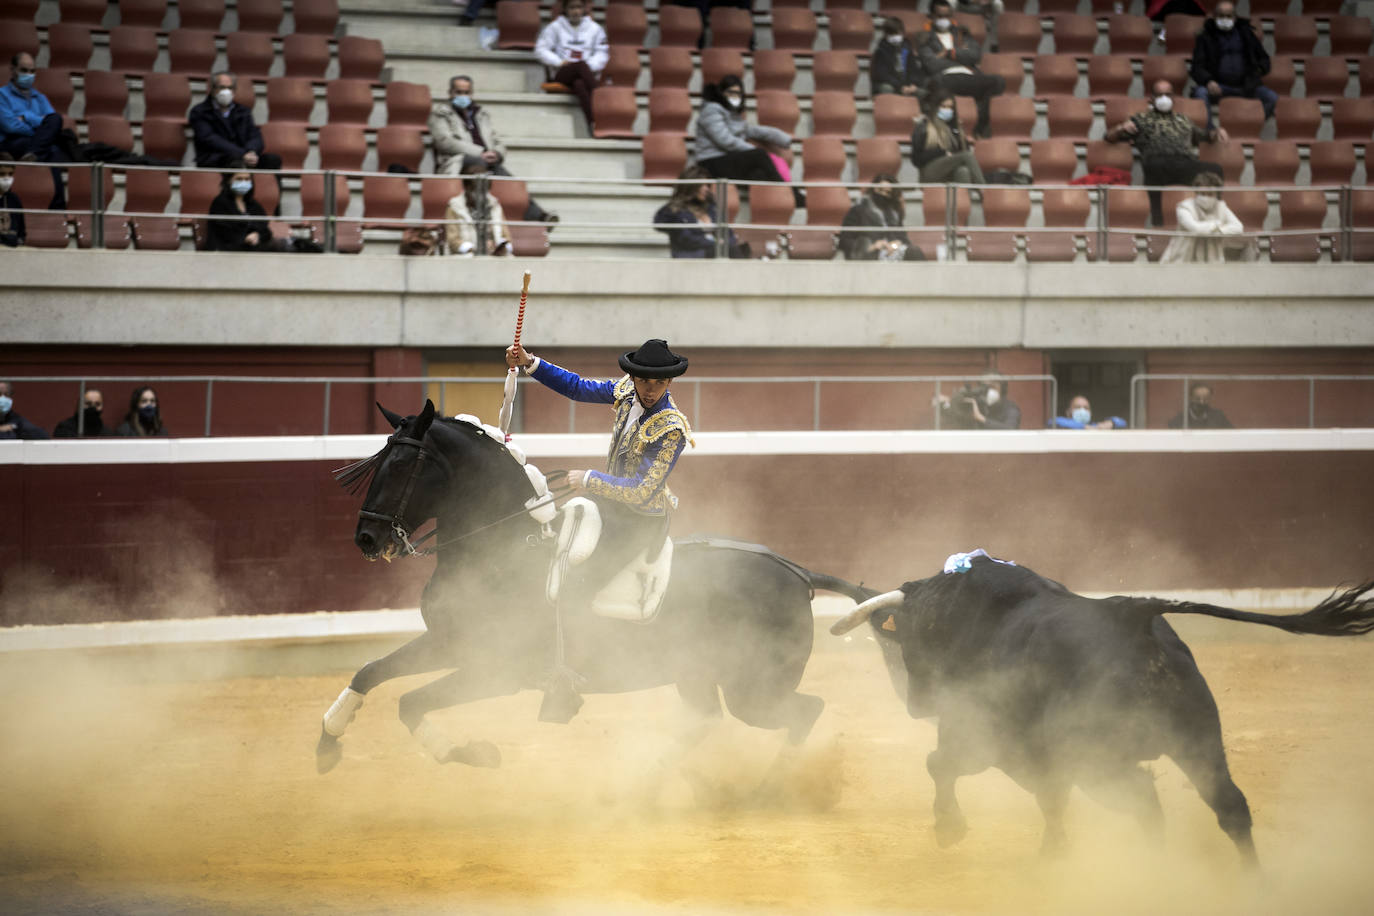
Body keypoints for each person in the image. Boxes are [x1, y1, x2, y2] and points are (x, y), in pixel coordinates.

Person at [505, 338, 693, 720]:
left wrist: (589, 479)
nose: (650, 388)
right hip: (610, 507)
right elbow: (577, 387)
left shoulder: (672, 428)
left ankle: (568, 680)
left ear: (670, 382)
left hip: (639, 522)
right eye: (644, 380)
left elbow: (642, 492)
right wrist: (530, 363)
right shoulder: (625, 390)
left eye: (658, 382)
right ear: (633, 376)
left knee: (577, 585)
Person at [428, 75, 557, 224]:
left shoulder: (481, 114)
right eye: (459, 92)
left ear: (471, 93)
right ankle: (481, 217)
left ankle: (539, 215)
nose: (463, 96)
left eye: (466, 92)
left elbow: (495, 139)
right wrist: (480, 153)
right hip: (457, 161)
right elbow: (444, 142)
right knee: (480, 163)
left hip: (486, 161)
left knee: (506, 177)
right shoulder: (440, 113)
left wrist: (497, 153)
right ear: (450, 93)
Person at [1105, 79, 1227, 227]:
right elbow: (1108, 137)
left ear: (1173, 98)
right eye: (1159, 95)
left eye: (1168, 95)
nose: (1164, 99)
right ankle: (1158, 222)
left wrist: (1217, 132)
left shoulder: (1183, 120)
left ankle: (1215, 221)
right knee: (1154, 165)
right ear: (1152, 98)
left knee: (1215, 169)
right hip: (1158, 166)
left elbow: (1205, 136)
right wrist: (1121, 128)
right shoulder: (1141, 119)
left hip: (1185, 164)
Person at [693, 75, 801, 206]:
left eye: (738, 93)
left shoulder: (733, 114)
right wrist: (753, 150)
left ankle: (777, 208)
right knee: (759, 155)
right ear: (721, 93)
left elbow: (753, 130)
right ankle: (793, 196)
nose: (734, 96)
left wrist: (783, 139)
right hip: (710, 163)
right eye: (730, 92)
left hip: (727, 162)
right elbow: (725, 140)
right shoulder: (711, 110)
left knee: (759, 174)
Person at [916, 0, 1005, 139]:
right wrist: (961, 59)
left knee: (998, 81)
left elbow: (976, 55)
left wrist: (949, 53)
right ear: (932, 16)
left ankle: (979, 129)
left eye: (947, 16)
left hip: (968, 76)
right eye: (940, 16)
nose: (944, 20)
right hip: (944, 78)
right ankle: (950, 133)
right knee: (938, 83)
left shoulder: (962, 33)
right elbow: (931, 64)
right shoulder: (924, 37)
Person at [1189, 2, 1276, 133]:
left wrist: (1256, 72)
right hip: (1218, 88)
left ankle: (1249, 127)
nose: (1225, 19)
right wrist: (1208, 81)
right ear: (1214, 16)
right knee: (1200, 93)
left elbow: (1264, 59)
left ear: (1234, 18)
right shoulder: (1205, 37)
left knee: (1272, 98)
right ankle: (1210, 132)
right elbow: (1197, 66)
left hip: (1246, 86)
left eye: (1228, 16)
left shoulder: (1247, 35)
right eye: (1221, 16)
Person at [534, 0, 608, 132]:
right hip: (561, 72)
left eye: (578, 7)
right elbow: (540, 50)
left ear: (584, 9)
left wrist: (588, 66)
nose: (575, 11)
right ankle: (602, 102)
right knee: (580, 66)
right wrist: (558, 62)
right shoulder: (555, 27)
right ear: (565, 9)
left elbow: (603, 54)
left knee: (579, 84)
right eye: (572, 7)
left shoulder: (595, 28)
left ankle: (593, 123)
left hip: (585, 72)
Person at [188, 71, 282, 173]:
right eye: (222, 87)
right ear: (213, 89)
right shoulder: (200, 111)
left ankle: (270, 189)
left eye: (230, 88)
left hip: (242, 156)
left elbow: (255, 136)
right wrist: (241, 154)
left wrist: (251, 151)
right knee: (234, 161)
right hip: (215, 159)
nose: (226, 91)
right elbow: (209, 138)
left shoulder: (243, 111)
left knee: (272, 160)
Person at [652, 164, 749, 258]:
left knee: (743, 248)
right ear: (691, 187)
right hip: (695, 254)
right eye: (702, 185)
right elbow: (687, 239)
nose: (706, 189)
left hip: (718, 251)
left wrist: (726, 243)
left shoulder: (712, 207)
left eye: (707, 185)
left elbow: (728, 233)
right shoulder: (675, 210)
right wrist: (717, 244)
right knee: (732, 251)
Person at [1160, 172, 1251, 264]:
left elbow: (1238, 227)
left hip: (1212, 261)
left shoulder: (1221, 206)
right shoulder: (1184, 207)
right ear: (1196, 193)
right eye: (1202, 194)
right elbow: (1196, 229)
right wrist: (1217, 224)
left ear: (1217, 194)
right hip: (1182, 260)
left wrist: (1219, 230)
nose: (1206, 197)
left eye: (1210, 194)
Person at [838, 174, 925, 261]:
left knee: (914, 251)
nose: (883, 194)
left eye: (888, 193)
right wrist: (872, 246)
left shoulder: (894, 214)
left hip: (893, 252)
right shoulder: (858, 211)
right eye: (880, 190)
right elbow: (845, 240)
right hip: (871, 253)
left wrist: (896, 244)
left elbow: (903, 238)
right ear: (874, 189)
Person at [909, 88, 985, 185]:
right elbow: (916, 159)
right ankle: (985, 191)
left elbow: (963, 149)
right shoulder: (924, 125)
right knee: (967, 156)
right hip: (929, 172)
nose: (947, 110)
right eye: (943, 106)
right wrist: (943, 152)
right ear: (935, 107)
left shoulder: (954, 126)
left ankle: (964, 199)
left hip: (950, 169)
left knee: (963, 171)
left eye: (950, 107)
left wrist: (958, 132)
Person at [0, 53, 61, 163]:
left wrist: (25, 117)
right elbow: (10, 127)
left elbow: (51, 124)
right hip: (12, 141)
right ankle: (35, 156)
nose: (29, 75)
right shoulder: (2, 95)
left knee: (56, 118)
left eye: (32, 71)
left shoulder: (40, 97)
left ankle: (33, 156)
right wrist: (39, 125)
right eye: (24, 70)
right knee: (50, 150)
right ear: (12, 70)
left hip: (37, 141)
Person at [443, 161, 512, 257]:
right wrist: (475, 249)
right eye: (476, 190)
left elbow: (506, 237)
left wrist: (501, 247)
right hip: (466, 255)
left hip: (494, 255)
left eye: (484, 190)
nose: (481, 195)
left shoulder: (495, 204)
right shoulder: (454, 206)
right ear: (466, 187)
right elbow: (453, 240)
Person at [206, 165, 275, 251]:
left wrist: (257, 235)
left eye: (247, 179)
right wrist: (246, 238)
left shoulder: (252, 203)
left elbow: (266, 230)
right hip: (229, 250)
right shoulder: (220, 203)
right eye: (239, 179)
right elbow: (225, 234)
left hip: (252, 248)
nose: (244, 182)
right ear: (228, 181)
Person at [933, 374, 1020, 429]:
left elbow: (1011, 429)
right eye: (985, 387)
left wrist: (980, 418)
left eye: (992, 387)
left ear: (1003, 389)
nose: (988, 391)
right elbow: (955, 419)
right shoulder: (976, 401)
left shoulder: (1010, 408)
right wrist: (947, 404)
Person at [871, 17, 925, 99]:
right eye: (892, 34)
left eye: (898, 33)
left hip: (906, 84)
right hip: (890, 84)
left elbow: (913, 69)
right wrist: (900, 86)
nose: (896, 36)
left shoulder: (907, 47)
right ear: (886, 34)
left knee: (923, 92)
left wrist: (913, 84)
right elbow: (882, 75)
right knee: (887, 88)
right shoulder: (881, 50)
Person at [1168, 382, 1234, 429]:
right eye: (1197, 398)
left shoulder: (1219, 417)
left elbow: (1232, 436)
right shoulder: (1178, 420)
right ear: (1190, 398)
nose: (1201, 402)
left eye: (1205, 399)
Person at [1050, 394, 1125, 430]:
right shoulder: (1064, 425)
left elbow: (1122, 422)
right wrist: (1083, 427)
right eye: (1077, 407)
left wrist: (1112, 423)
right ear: (1068, 412)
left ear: (1090, 413)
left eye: (1086, 408)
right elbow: (1052, 421)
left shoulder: (1094, 426)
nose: (1082, 410)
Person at [0, 152, 24, 247]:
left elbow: (21, 234)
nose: (7, 178)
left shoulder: (14, 200)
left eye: (10, 174)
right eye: (2, 174)